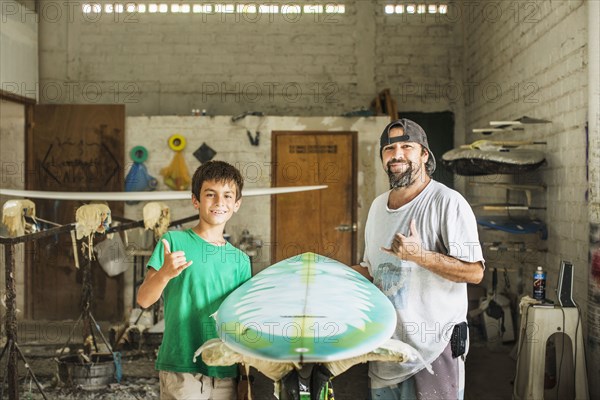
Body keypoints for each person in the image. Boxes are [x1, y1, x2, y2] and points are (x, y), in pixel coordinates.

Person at [353, 119, 485, 400]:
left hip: (433, 351)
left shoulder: (447, 202)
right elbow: (371, 270)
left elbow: (474, 273)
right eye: (389, 148)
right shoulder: (378, 207)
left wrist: (419, 256)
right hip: (385, 350)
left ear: (424, 154)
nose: (397, 154)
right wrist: (327, 274)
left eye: (406, 146)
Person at [137, 160, 252, 400]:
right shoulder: (173, 242)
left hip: (225, 368)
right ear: (195, 200)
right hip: (181, 365)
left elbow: (241, 320)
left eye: (228, 196)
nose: (220, 202)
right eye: (211, 194)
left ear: (237, 204)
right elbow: (144, 300)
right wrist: (165, 273)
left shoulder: (241, 260)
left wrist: (245, 374)